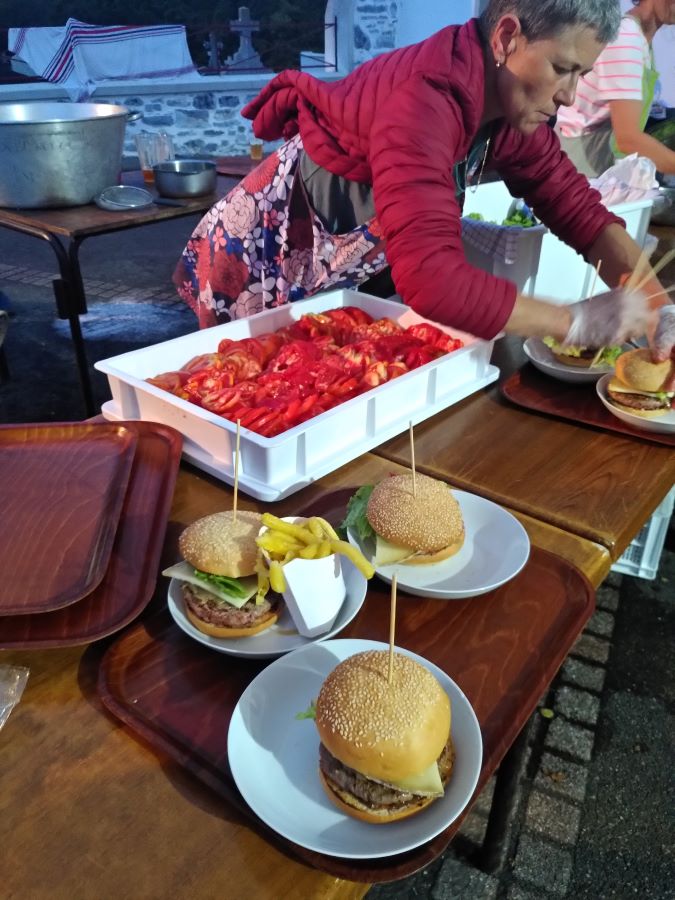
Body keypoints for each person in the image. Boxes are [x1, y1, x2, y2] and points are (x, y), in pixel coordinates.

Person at [174, 0, 673, 371]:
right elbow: (433, 279)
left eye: (582, 74)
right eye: (562, 69)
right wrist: (573, 323)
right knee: (249, 381)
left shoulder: (508, 109)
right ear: (506, 38)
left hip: (343, 265)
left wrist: (657, 307)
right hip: (263, 249)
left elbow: (577, 209)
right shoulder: (424, 98)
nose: (569, 95)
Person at [557, 0, 675, 178]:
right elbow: (627, 139)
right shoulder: (626, 39)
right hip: (576, 164)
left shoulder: (642, 42)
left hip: (599, 162)